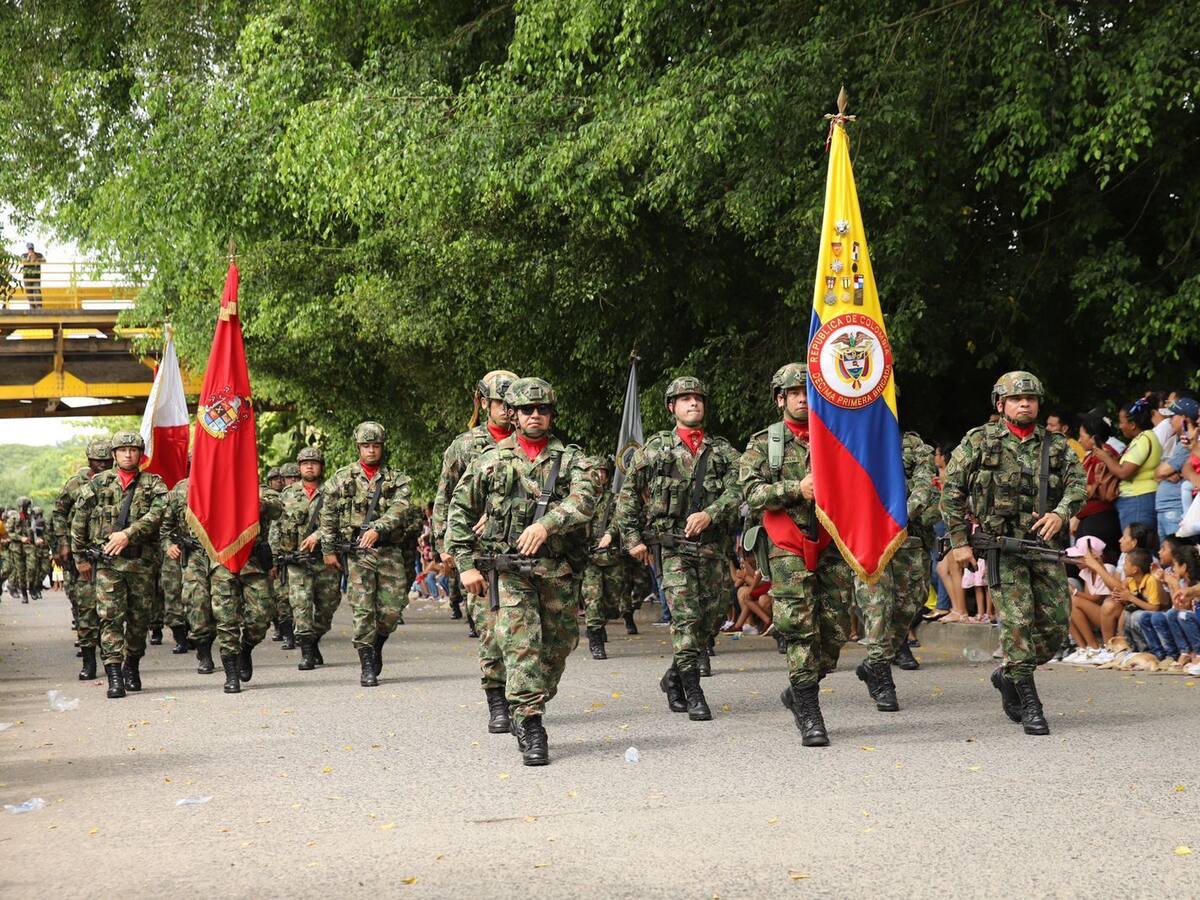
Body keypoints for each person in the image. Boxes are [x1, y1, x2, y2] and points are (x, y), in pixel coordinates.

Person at [446, 377, 597, 766]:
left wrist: (547, 523)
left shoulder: (573, 459)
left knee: (559, 646)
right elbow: (458, 511)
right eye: (527, 410)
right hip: (509, 572)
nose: (535, 415)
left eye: (542, 409)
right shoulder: (491, 460)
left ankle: (526, 701)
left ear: (551, 414)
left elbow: (585, 499)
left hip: (557, 570)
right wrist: (464, 565)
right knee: (521, 644)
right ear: (512, 415)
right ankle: (531, 725)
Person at [941, 371, 1086, 736]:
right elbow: (951, 491)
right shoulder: (979, 441)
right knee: (1018, 622)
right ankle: (1029, 701)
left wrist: (1060, 513)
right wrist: (959, 542)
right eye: (1018, 399)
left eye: (1032, 399)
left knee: (1054, 627)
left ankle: (1008, 674)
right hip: (1000, 549)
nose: (1026, 404)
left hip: (1043, 547)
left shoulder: (1055, 446)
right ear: (1001, 404)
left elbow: (1078, 485)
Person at [738, 363, 856, 745]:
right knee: (800, 628)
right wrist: (794, 488)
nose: (803, 399)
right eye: (794, 393)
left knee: (836, 629)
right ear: (781, 399)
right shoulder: (763, 444)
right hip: (787, 543)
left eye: (809, 392)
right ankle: (809, 711)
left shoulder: (836, 436)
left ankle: (799, 688)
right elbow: (751, 492)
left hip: (831, 541)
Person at [615, 375, 741, 722]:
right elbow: (627, 498)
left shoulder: (722, 451)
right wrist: (633, 540)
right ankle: (692, 688)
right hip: (673, 550)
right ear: (672, 407)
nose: (693, 403)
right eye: (685, 399)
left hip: (712, 549)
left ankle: (672, 678)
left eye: (698, 398)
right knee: (686, 618)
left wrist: (710, 514)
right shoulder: (654, 449)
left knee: (713, 618)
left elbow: (741, 489)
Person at [432, 370, 518, 731]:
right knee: (490, 631)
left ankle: (524, 697)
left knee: (526, 634)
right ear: (484, 403)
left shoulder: (531, 442)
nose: (507, 411)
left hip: (521, 552)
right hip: (479, 556)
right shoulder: (465, 445)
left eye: (512, 404)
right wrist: (446, 546)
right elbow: (445, 498)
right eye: (500, 403)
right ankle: (498, 702)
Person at [70, 431, 168, 699]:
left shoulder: (153, 484)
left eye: (133, 449)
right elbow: (79, 521)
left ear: (140, 454)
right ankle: (114, 675)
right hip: (108, 565)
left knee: (139, 621)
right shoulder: (97, 484)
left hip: (141, 564)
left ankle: (132, 664)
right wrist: (80, 558)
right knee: (110, 618)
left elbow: (159, 514)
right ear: (114, 454)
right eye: (122, 449)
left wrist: (128, 533)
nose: (128, 454)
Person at [319, 421, 413, 687]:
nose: (371, 451)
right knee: (362, 609)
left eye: (375, 446)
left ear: (383, 447)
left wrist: (377, 528)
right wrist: (328, 550)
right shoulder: (341, 478)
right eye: (366, 446)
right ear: (358, 447)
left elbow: (400, 508)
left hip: (388, 551)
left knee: (392, 609)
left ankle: (377, 643)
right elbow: (328, 515)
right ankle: (367, 663)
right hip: (357, 554)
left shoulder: (398, 478)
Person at [852, 428, 937, 711]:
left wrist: (896, 516)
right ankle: (881, 675)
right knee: (877, 607)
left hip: (908, 537)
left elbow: (925, 484)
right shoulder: (851, 438)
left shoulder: (913, 444)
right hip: (867, 538)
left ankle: (875, 662)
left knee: (909, 604)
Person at [209, 486, 283, 693]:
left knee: (262, 615)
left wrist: (256, 502)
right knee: (226, 620)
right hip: (222, 561)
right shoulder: (212, 486)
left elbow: (278, 510)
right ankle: (231, 674)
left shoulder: (262, 491)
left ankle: (246, 647)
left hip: (254, 563)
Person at [52, 439, 113, 679]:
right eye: (99, 461)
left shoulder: (120, 481)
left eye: (108, 461)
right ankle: (89, 661)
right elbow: (59, 513)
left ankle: (117, 663)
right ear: (90, 461)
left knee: (113, 613)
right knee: (86, 608)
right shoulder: (76, 484)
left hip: (113, 555)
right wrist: (64, 543)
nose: (103, 465)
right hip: (83, 555)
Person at [275, 447, 341, 671]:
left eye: (314, 463)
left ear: (321, 466)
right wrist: (275, 557)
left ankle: (313, 641)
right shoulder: (287, 494)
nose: (309, 466)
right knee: (300, 606)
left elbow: (342, 521)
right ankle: (306, 652)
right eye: (305, 463)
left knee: (327, 607)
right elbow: (276, 526)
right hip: (297, 561)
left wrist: (318, 535)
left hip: (326, 559)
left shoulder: (333, 492)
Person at [581, 458, 636, 660]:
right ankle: (595, 638)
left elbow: (621, 517)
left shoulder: (614, 499)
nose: (601, 475)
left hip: (611, 556)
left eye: (604, 472)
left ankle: (600, 623)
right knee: (593, 599)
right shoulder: (580, 497)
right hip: (588, 558)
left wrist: (611, 534)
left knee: (612, 601)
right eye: (597, 471)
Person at [1097, 398, 1161, 534]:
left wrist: (1104, 457)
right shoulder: (1142, 439)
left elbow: (1124, 472)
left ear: (1132, 424)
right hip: (1137, 499)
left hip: (1138, 499)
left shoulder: (1144, 439)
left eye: (1121, 422)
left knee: (1135, 546)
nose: (1120, 426)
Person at [1073, 414, 1122, 563]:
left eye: (1082, 436)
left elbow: (1090, 487)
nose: (1079, 440)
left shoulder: (1102, 455)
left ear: (1093, 437)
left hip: (1099, 516)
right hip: (1090, 516)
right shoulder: (1093, 455)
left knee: (1096, 563)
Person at [1153, 397, 1199, 541]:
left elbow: (1162, 471)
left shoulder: (1190, 440)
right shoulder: (1180, 440)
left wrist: (1164, 473)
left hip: (1175, 509)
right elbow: (1157, 473)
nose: (1170, 421)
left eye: (1173, 416)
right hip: (1167, 508)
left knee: (1178, 553)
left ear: (1184, 418)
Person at [21, 242, 45, 308]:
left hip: (36, 277)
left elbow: (44, 260)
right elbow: (21, 261)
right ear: (27, 249)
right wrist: (28, 258)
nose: (31, 250)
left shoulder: (39, 254)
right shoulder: (24, 255)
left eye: (32, 248)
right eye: (29, 249)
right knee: (29, 292)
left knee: (37, 290)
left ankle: (39, 306)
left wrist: (37, 259)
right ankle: (32, 306)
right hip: (27, 277)